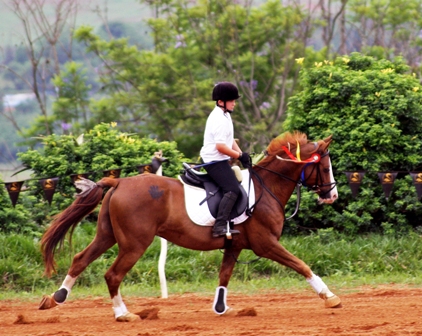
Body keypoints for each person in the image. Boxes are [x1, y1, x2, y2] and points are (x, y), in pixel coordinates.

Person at [200, 82, 251, 238]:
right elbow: (221, 147)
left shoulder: (226, 115)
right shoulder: (219, 119)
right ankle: (219, 226)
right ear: (221, 101)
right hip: (214, 161)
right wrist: (238, 156)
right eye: (232, 100)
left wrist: (242, 154)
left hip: (220, 159)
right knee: (232, 189)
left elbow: (230, 141)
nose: (234, 103)